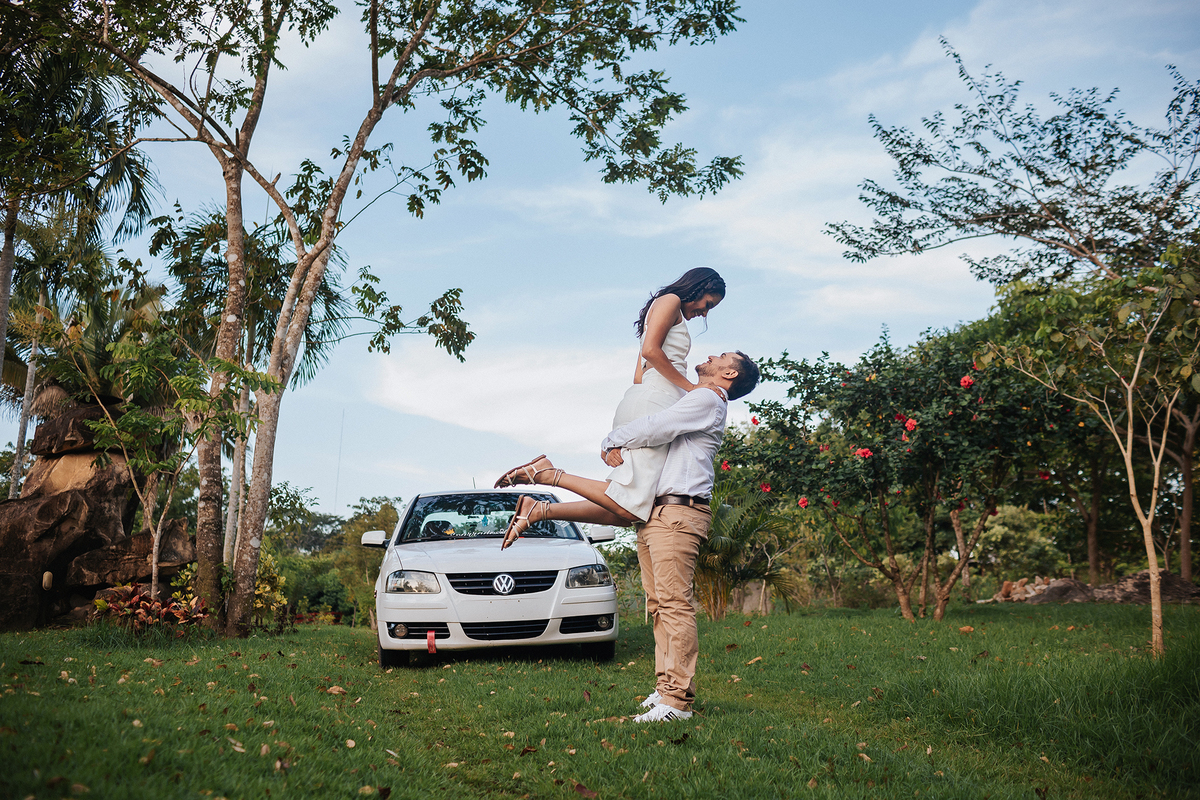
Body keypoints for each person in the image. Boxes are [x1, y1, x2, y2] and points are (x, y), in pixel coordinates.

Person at [494, 350, 760, 723]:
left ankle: (677, 701)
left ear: (729, 373)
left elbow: (658, 425)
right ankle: (665, 689)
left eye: (723, 357)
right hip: (658, 511)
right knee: (659, 606)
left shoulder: (709, 398)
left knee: (674, 605)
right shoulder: (699, 397)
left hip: (678, 513)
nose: (712, 355)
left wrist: (612, 440)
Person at [496, 268, 726, 525]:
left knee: (634, 511)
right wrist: (691, 388)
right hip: (656, 398)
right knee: (632, 503)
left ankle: (540, 510)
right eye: (708, 304)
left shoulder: (665, 308)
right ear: (698, 287)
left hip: (649, 397)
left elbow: (639, 375)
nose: (705, 313)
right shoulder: (671, 300)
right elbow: (650, 351)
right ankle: (547, 474)